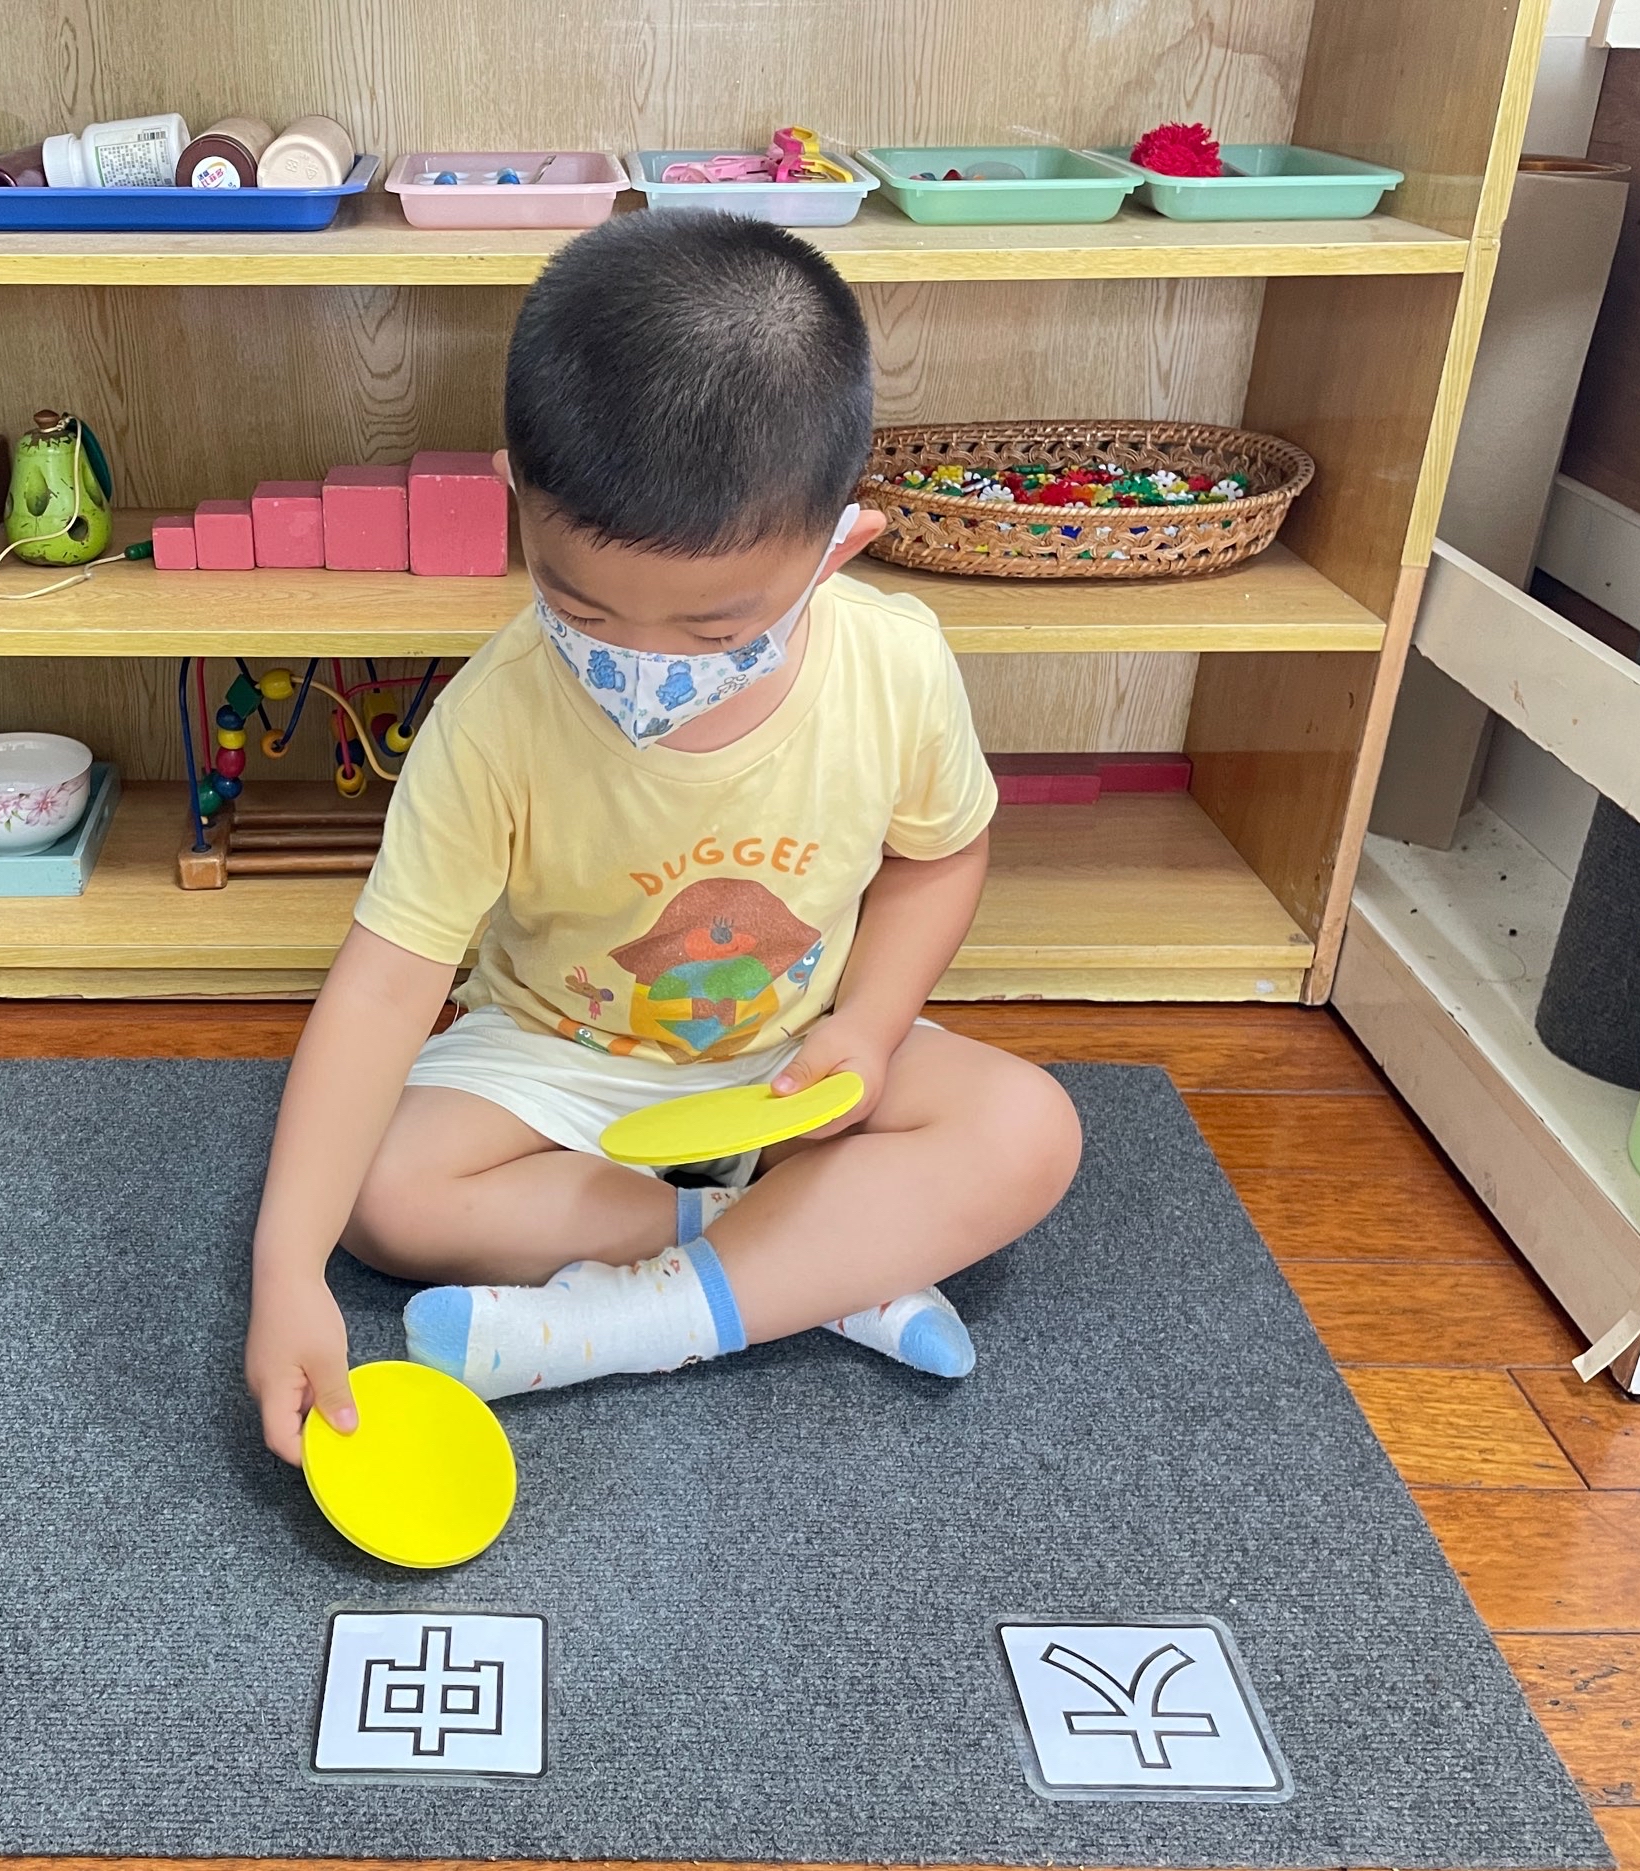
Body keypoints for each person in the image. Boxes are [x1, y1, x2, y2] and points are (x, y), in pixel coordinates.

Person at [244, 210, 1083, 1462]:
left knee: (1028, 1132)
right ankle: (811, 1265)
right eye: (578, 607)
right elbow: (382, 989)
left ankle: (634, 1320)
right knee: (384, 1197)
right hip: (555, 1051)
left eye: (711, 632)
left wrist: (869, 1026)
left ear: (838, 547)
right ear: (519, 502)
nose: (638, 667)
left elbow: (940, 855)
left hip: (795, 1051)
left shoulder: (894, 667)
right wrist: (285, 1269)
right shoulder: (492, 718)